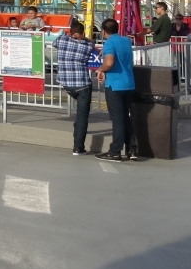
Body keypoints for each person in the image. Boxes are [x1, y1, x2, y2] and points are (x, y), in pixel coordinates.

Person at [95, 18, 137, 162]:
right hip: (129, 83)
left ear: (103, 31)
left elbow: (109, 63)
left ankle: (115, 151)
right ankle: (132, 149)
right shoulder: (125, 41)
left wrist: (100, 69)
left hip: (115, 85)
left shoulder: (109, 43)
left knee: (117, 119)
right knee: (126, 117)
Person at [55, 19, 95, 155]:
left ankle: (77, 127)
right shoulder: (87, 46)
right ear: (82, 33)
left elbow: (56, 42)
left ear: (71, 32)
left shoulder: (61, 40)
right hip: (82, 84)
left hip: (66, 83)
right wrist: (84, 38)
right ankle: (78, 147)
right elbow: (93, 44)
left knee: (80, 116)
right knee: (82, 116)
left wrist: (69, 36)